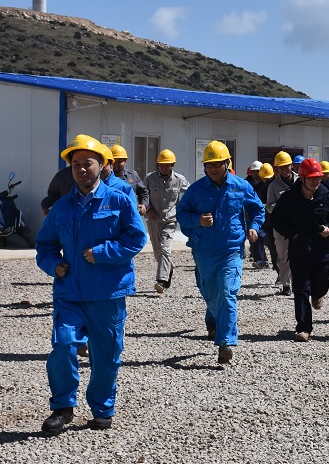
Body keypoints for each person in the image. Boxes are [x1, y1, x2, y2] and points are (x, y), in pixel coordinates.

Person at [35, 134, 147, 435]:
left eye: (88, 163)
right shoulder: (61, 208)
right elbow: (44, 245)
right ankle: (62, 407)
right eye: (76, 165)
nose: (82, 169)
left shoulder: (119, 200)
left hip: (107, 293)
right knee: (63, 345)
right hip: (69, 291)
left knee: (106, 355)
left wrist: (103, 252)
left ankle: (102, 408)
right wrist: (53, 265)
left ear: (102, 165)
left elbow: (136, 238)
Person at [177, 140, 265, 365]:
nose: (214, 168)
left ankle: (225, 341)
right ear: (204, 166)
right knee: (210, 293)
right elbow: (182, 214)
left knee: (227, 292)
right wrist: (197, 221)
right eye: (210, 165)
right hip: (204, 251)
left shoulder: (240, 186)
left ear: (227, 163)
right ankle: (217, 318)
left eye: (218, 164)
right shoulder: (195, 190)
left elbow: (257, 208)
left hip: (231, 250)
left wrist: (254, 227)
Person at [270, 158, 329, 342]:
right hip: (299, 251)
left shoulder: (327, 196)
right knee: (301, 289)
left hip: (322, 252)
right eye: (311, 178)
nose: (315, 181)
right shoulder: (289, 198)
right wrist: (292, 233)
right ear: (302, 178)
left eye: (318, 177)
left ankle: (318, 295)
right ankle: (303, 328)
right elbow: (276, 219)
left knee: (321, 287)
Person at [143, 149, 189, 294]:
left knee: (165, 249)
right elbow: (143, 194)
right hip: (153, 220)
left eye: (167, 165)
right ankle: (169, 268)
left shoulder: (179, 179)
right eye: (161, 165)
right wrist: (148, 208)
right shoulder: (150, 178)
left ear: (172, 165)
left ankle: (161, 281)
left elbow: (191, 193)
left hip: (170, 220)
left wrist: (184, 209)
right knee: (158, 251)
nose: (163, 168)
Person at [266, 151, 298, 295]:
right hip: (280, 226)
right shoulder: (273, 186)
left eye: (287, 166)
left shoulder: (301, 181)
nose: (285, 169)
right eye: (281, 167)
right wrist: (282, 208)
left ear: (292, 165)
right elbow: (269, 207)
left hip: (298, 224)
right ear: (277, 169)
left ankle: (298, 282)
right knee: (283, 255)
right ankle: (286, 284)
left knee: (299, 254)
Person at [110, 144, 150, 215]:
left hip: (129, 214)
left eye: (120, 161)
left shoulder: (132, 175)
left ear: (125, 161)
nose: (116, 164)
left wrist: (144, 205)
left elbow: (143, 192)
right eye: (114, 161)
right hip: (111, 214)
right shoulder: (103, 177)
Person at [245, 161, 267, 267]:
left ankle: (263, 258)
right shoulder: (246, 183)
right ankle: (259, 259)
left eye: (258, 171)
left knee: (263, 236)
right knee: (254, 236)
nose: (255, 173)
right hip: (250, 212)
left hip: (263, 212)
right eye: (254, 171)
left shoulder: (265, 183)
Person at [255, 163, 277, 269]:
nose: (266, 180)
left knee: (273, 242)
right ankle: (261, 259)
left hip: (274, 218)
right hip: (263, 217)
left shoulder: (275, 185)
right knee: (260, 236)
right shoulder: (258, 187)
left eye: (268, 178)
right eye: (264, 178)